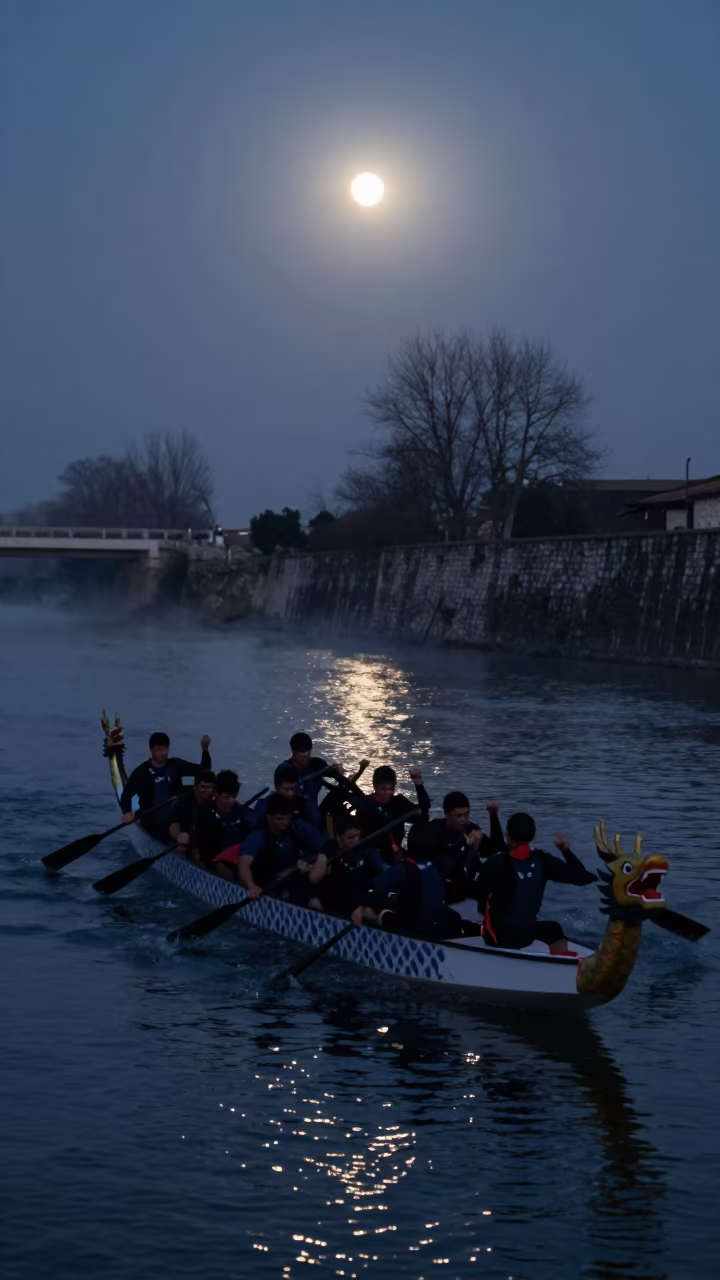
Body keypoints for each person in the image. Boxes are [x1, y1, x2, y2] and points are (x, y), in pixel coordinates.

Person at [473, 811, 597, 956]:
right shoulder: (543, 860)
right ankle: (561, 966)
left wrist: (473, 851)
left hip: (496, 938)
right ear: (533, 837)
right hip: (526, 935)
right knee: (553, 929)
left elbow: (476, 892)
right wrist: (565, 850)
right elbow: (582, 878)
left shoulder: (496, 861)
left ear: (508, 837)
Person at [351, 824, 479, 939]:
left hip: (419, 929)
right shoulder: (436, 864)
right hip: (439, 923)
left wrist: (361, 907)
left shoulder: (401, 870)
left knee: (378, 911)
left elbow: (375, 889)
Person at [233, 794, 329, 904]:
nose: (285, 823)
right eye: (280, 819)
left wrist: (312, 865)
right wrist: (251, 886)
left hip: (290, 879)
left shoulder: (295, 828)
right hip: (265, 886)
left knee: (314, 898)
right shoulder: (257, 837)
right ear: (269, 817)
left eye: (288, 818)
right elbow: (244, 864)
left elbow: (321, 847)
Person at [120, 731, 211, 839]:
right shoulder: (141, 772)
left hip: (177, 820)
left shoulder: (175, 765)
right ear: (151, 750)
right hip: (152, 822)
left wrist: (205, 750)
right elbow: (126, 796)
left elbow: (204, 771)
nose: (163, 753)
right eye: (159, 749)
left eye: (165, 748)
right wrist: (127, 812)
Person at [424, 791, 505, 902]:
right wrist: (470, 849)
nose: (464, 820)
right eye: (458, 816)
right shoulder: (434, 831)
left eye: (466, 814)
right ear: (447, 815)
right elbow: (446, 868)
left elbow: (497, 849)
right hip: (444, 891)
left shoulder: (471, 830)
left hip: (469, 891)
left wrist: (493, 816)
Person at [355, 765, 431, 863]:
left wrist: (418, 784)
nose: (387, 793)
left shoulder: (398, 802)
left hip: (396, 855)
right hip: (372, 855)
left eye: (391, 789)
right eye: (383, 789)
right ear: (375, 786)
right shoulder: (366, 805)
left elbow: (424, 811)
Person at [318, 812, 385, 917]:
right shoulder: (329, 853)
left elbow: (378, 878)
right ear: (338, 837)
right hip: (340, 907)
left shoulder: (366, 851)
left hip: (365, 901)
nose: (356, 841)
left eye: (358, 836)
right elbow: (315, 879)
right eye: (350, 837)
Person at [277, 732, 345, 829]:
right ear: (293, 751)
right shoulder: (284, 770)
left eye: (308, 751)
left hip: (314, 813)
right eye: (302, 752)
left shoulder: (316, 764)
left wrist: (338, 769)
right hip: (293, 817)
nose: (306, 755)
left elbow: (332, 773)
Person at [169, 769, 223, 869]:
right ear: (195, 788)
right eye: (204, 787)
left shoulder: (218, 802)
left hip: (208, 841)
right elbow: (174, 824)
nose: (208, 791)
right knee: (181, 849)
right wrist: (179, 836)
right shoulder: (185, 802)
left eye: (211, 787)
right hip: (188, 841)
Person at [214, 769, 258, 846]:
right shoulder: (205, 812)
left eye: (234, 796)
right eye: (226, 797)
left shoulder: (245, 814)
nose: (231, 801)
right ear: (216, 793)